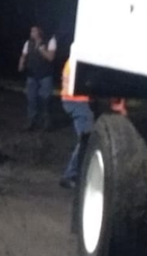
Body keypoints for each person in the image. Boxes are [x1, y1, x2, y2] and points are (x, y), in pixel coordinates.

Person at [59, 59, 93, 189]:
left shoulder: (71, 61)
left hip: (73, 101)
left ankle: (75, 173)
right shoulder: (78, 62)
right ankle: (70, 174)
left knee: (85, 139)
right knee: (85, 139)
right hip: (77, 102)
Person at [18, 25, 57, 131]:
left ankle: (46, 123)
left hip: (45, 75)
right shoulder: (28, 43)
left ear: (40, 32)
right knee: (31, 99)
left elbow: (51, 57)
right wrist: (21, 64)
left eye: (34, 31)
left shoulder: (50, 41)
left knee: (45, 100)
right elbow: (24, 55)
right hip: (32, 75)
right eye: (31, 31)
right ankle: (31, 122)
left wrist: (42, 50)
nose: (31, 33)